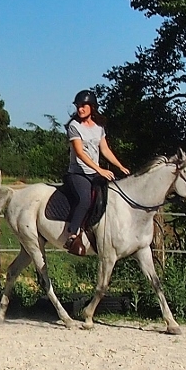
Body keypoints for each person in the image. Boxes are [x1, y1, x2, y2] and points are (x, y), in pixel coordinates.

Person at [63, 89, 130, 250]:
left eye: (83, 106)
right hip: (78, 173)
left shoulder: (99, 127)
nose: (80, 109)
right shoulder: (74, 126)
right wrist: (100, 169)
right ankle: (73, 235)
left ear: (92, 107)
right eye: (78, 106)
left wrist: (120, 166)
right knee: (85, 200)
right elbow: (80, 153)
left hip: (95, 172)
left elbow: (105, 149)